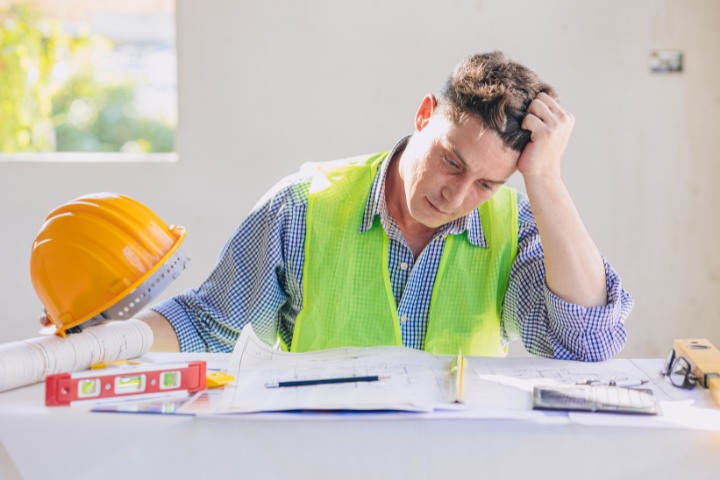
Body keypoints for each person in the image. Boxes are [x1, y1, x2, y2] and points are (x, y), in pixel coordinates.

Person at [138, 51, 633, 360]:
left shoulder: (516, 228)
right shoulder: (301, 207)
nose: (456, 198)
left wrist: (544, 178)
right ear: (424, 116)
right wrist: (94, 342)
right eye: (452, 162)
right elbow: (208, 326)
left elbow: (585, 343)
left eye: (487, 184)